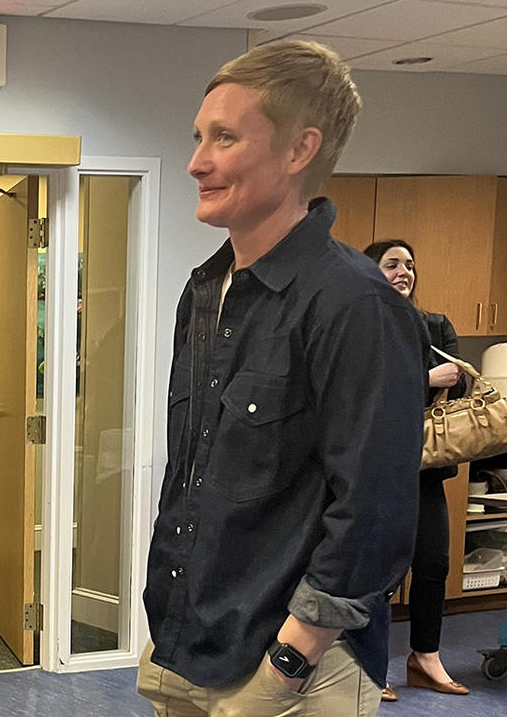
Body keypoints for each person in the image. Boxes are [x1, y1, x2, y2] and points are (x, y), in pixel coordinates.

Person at [137, 40, 427, 717]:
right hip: (186, 645)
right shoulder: (205, 291)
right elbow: (200, 475)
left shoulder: (357, 306)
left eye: (225, 138)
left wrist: (290, 663)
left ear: (300, 151)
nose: (196, 161)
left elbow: (373, 514)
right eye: (199, 137)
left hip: (292, 671)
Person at [363, 239, 470, 701]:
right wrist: (424, 380)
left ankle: (425, 658)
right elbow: (362, 391)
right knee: (379, 571)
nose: (404, 271)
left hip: (426, 467)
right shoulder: (360, 326)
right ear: (371, 273)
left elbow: (462, 383)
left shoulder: (435, 326)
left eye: (410, 264)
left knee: (432, 564)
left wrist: (451, 378)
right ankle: (371, 666)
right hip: (375, 467)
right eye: (392, 264)